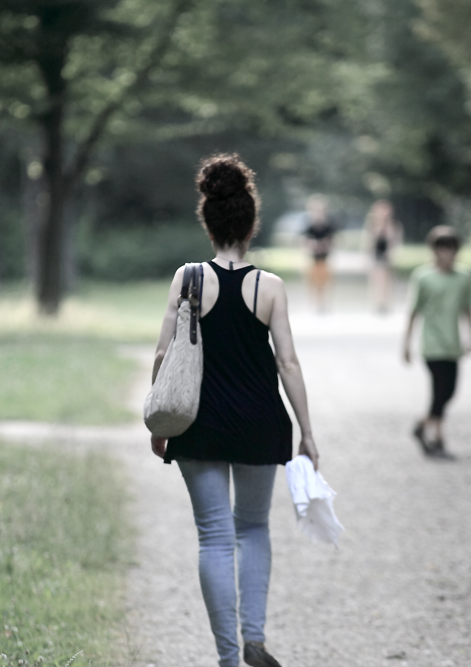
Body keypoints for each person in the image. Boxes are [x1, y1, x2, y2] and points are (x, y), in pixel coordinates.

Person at [150, 154, 319, 667]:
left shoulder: (188, 279)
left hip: (197, 424)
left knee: (214, 537)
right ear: (250, 225)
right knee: (253, 529)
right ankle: (255, 637)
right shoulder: (270, 287)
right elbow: (287, 362)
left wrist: (157, 422)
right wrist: (307, 432)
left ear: (210, 223)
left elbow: (162, 354)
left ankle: (228, 658)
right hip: (257, 425)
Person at [402, 225, 471, 460]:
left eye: (451, 248)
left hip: (452, 343)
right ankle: (438, 439)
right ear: (434, 250)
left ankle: (422, 425)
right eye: (442, 248)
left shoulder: (464, 277)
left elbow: (467, 309)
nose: (447, 253)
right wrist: (406, 343)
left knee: (450, 391)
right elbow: (413, 311)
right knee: (439, 392)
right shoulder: (423, 277)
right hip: (432, 343)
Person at [366, 199, 402, 313]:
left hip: (387, 255)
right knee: (377, 279)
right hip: (376, 255)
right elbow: (370, 241)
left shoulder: (394, 224)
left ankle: (386, 303)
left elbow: (395, 240)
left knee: (387, 280)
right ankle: (378, 302)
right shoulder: (372, 224)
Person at [302, 194, 336, 312]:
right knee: (313, 281)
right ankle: (315, 303)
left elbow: (333, 240)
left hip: (324, 258)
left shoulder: (328, 225)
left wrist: (324, 245)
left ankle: (323, 303)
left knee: (324, 281)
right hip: (313, 258)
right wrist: (312, 244)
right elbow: (304, 240)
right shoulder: (309, 225)